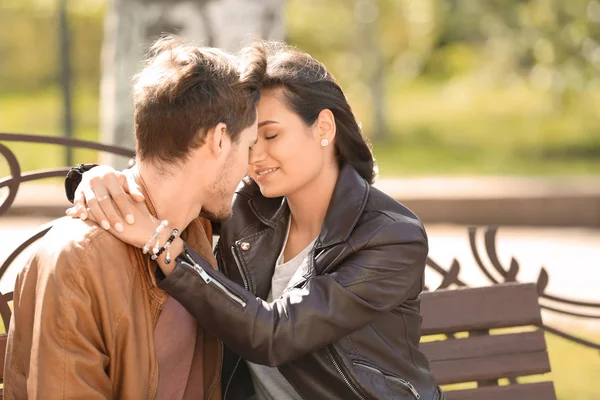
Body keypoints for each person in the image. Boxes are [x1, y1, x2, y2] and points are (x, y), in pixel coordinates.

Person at [65, 42, 444, 400]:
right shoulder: (249, 205)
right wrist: (96, 178)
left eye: (272, 135)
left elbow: (275, 335)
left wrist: (166, 248)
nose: (255, 157)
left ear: (324, 128)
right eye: (249, 141)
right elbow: (169, 186)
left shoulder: (390, 237)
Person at [4, 35, 265, 400]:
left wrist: (89, 173)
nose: (250, 167)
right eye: (249, 145)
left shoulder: (197, 226)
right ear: (220, 140)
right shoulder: (76, 262)